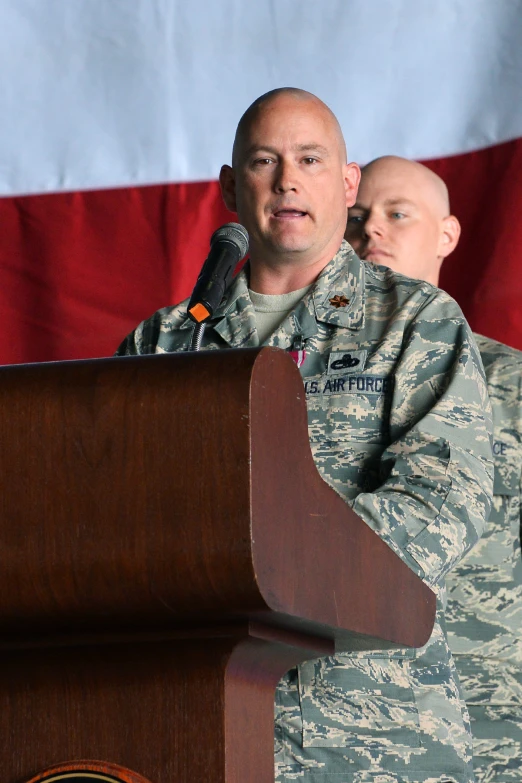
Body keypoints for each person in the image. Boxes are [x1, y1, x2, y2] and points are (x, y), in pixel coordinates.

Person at [117, 89, 494, 783]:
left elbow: (448, 497)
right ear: (233, 188)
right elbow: (107, 514)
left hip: (368, 738)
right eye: (265, 161)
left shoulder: (412, 320)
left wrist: (270, 559)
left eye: (310, 159)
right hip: (195, 727)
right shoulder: (165, 341)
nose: (288, 179)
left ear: (346, 186)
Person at [346, 154, 522, 782]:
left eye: (398, 214)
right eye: (357, 218)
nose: (373, 233)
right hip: (358, 720)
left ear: (446, 235)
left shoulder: (512, 385)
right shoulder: (305, 379)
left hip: (496, 713)